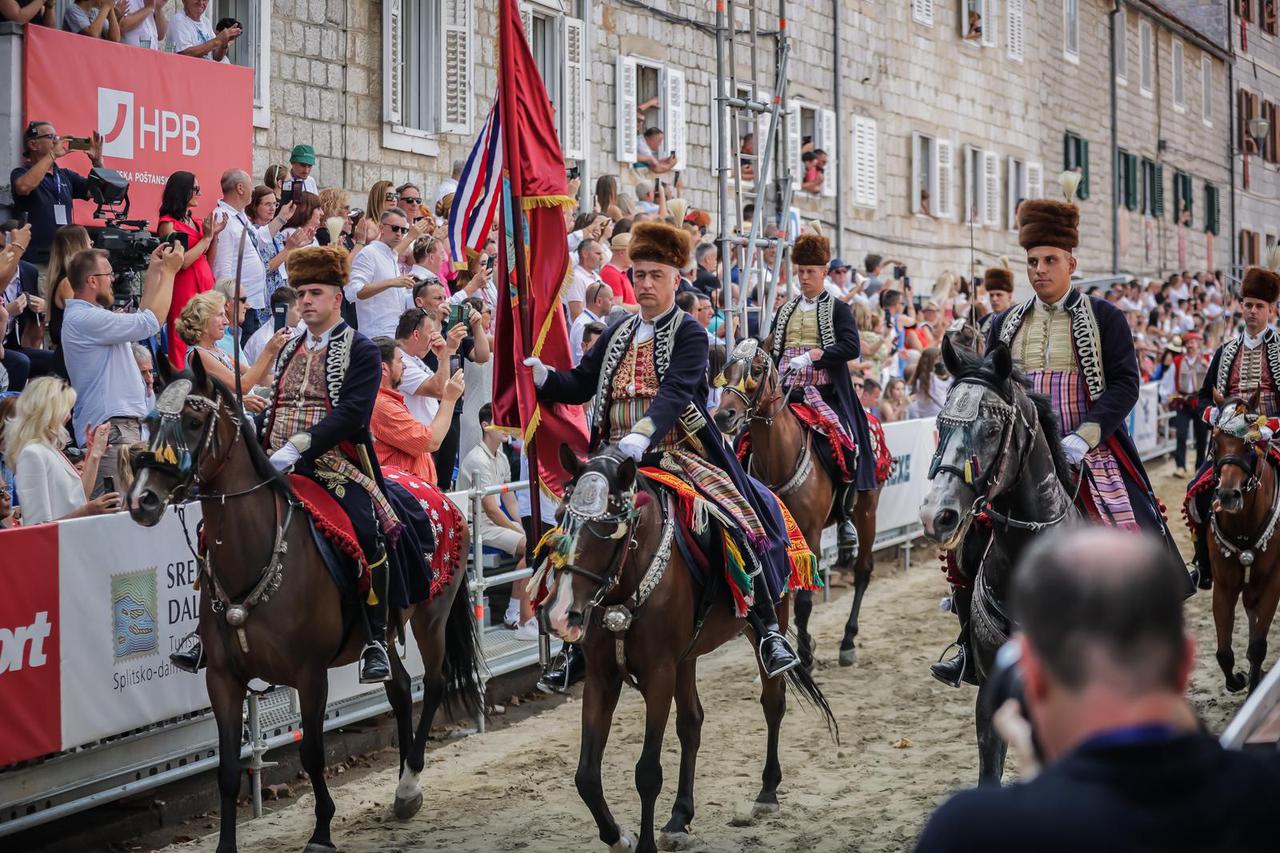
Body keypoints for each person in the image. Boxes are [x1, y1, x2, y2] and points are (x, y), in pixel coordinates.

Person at [526, 221, 800, 677]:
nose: (646, 283)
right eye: (639, 275)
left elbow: (676, 390)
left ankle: (766, 626)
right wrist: (545, 378)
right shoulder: (616, 330)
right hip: (614, 463)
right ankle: (573, 639)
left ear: (677, 279)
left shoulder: (690, 335)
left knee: (737, 517)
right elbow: (579, 384)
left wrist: (643, 433)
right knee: (570, 529)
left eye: (656, 274)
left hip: (678, 456)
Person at [935, 193, 1176, 689]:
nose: (1039, 270)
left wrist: (1085, 438)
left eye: (1049, 261)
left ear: (1072, 262)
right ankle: (968, 642)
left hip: (1087, 446)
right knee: (970, 538)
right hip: (1020, 454)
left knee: (1127, 527)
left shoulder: (1105, 317)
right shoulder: (1005, 323)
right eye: (1032, 261)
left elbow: (1125, 385)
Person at [915, 528, 1280, 853]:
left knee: (1140, 507)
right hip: (1004, 470)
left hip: (1082, 465)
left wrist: (1040, 791)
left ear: (1030, 673)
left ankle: (1198, 559)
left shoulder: (966, 832)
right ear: (1185, 663)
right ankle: (967, 640)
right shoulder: (1268, 792)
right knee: (967, 538)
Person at [171, 246, 426, 683]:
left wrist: (298, 447)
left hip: (335, 464)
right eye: (301, 293)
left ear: (337, 298)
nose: (305, 301)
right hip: (275, 462)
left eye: (315, 292)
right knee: (212, 529)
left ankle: (375, 639)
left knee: (368, 531)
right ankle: (204, 633)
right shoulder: (289, 347)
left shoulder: (361, 349)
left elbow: (351, 414)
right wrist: (259, 446)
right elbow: (276, 405)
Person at [766, 234, 879, 568]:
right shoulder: (785, 310)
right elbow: (773, 348)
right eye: (800, 271)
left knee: (845, 444)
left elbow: (851, 347)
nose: (804, 277)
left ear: (824, 272)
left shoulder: (839, 308)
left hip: (821, 391)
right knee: (747, 441)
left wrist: (817, 355)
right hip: (784, 390)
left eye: (811, 271)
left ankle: (844, 516)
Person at [1185, 261, 1280, 590]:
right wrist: (1213, 416)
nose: (1252, 311)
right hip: (1230, 444)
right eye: (1248, 305)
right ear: (1240, 306)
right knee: (1196, 494)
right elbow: (1202, 397)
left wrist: (1272, 426)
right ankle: (1203, 566)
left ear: (1271, 310)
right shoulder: (1225, 351)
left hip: (1273, 440)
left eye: (1259, 306)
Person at [62, 244, 181, 495]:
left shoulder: (92, 316)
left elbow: (142, 317)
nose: (113, 280)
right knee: (112, 516)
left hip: (122, 428)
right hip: (112, 430)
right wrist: (170, 273)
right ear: (92, 281)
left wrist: (154, 271)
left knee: (131, 515)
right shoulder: (85, 319)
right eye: (108, 275)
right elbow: (150, 323)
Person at [457, 404, 535, 637]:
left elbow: (509, 500)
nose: (506, 427)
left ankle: (515, 611)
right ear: (484, 425)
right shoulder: (478, 459)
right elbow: (491, 509)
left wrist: (524, 525)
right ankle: (516, 614)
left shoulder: (501, 457)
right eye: (499, 421)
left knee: (533, 541)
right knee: (530, 546)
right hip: (477, 526)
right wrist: (521, 533)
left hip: (491, 524)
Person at [5, 377, 120, 524]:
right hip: (58, 545)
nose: (69, 416)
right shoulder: (32, 453)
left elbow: (79, 496)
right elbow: (37, 525)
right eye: (66, 408)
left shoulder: (49, 450)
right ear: (50, 411)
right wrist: (89, 511)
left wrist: (95, 454)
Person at [10, 121, 103, 275]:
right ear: (33, 144)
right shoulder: (20, 172)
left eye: (57, 136)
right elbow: (24, 187)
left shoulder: (65, 175)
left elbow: (99, 192)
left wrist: (97, 162)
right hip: (38, 262)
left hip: (66, 259)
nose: (57, 141)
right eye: (51, 137)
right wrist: (52, 155)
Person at [369, 336, 462, 485]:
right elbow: (431, 442)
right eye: (400, 361)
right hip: (405, 497)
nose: (404, 366)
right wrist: (449, 399)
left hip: (411, 495)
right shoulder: (381, 406)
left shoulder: (384, 401)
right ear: (384, 368)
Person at [157, 170, 222, 369]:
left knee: (207, 332)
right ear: (182, 191)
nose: (199, 194)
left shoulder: (196, 221)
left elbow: (208, 257)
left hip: (204, 281)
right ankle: (180, 377)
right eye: (195, 189)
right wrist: (206, 239)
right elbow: (182, 261)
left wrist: (214, 237)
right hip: (183, 285)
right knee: (182, 332)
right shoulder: (167, 224)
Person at [177, 291, 287, 406]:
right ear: (203, 320)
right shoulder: (198, 354)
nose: (226, 321)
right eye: (220, 315)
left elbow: (259, 378)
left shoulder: (218, 351)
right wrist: (268, 350)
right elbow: (242, 387)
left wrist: (273, 352)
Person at [211, 169, 269, 338]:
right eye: (251, 186)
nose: (253, 190)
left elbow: (259, 238)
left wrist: (282, 218)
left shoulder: (240, 216)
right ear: (240, 188)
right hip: (240, 305)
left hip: (251, 302)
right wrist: (231, 302)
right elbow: (222, 267)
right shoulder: (223, 218)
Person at [344, 208, 416, 338]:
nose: (399, 233)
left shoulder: (391, 256)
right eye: (395, 228)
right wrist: (391, 282)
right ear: (381, 228)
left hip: (395, 335)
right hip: (375, 335)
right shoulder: (369, 253)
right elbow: (353, 292)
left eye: (403, 230)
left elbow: (394, 301)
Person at [1158, 333, 1209, 477]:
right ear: (1185, 346)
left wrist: (1207, 365)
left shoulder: (1206, 360)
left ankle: (1200, 466)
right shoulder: (1178, 361)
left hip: (1200, 402)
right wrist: (1165, 396)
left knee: (1201, 436)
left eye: (1193, 342)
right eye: (1188, 342)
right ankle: (1180, 466)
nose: (1191, 345)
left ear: (1199, 343)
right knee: (1181, 434)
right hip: (1183, 403)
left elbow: (1215, 378)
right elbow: (1167, 381)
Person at [244, 284, 302, 365]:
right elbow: (265, 376)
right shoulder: (264, 341)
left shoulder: (294, 329)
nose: (301, 314)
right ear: (284, 310)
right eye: (298, 310)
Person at [166, 0, 239, 59]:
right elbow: (186, 53)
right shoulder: (178, 20)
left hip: (203, 74)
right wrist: (217, 41)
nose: (201, 2)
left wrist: (224, 43)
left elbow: (216, 56)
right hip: (184, 75)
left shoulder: (206, 22)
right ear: (184, 1)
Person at [569, 281, 614, 365]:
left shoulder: (598, 320)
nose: (613, 303)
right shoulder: (583, 325)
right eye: (610, 300)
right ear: (599, 301)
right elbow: (582, 362)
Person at [978, 265, 1015, 336]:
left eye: (999, 295)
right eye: (991, 295)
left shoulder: (1019, 321)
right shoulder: (982, 322)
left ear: (1009, 296)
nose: (994, 299)